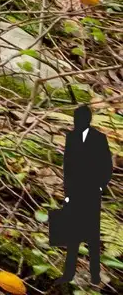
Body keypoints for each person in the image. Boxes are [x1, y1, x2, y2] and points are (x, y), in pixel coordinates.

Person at [53, 104, 112, 287]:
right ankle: (69, 273)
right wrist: (67, 192)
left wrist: (100, 187)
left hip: (92, 191)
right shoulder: (71, 137)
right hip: (75, 191)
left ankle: (95, 274)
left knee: (93, 234)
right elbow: (68, 167)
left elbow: (107, 166)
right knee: (73, 233)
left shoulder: (99, 138)